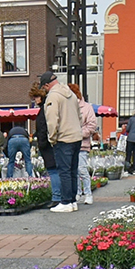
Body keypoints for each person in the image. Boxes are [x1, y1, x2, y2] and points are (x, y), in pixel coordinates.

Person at [40, 70, 82, 211]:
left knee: (63, 171)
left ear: (46, 85)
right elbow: (79, 115)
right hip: (76, 136)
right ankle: (72, 200)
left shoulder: (53, 96)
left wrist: (52, 138)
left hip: (63, 138)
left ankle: (65, 203)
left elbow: (52, 120)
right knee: (72, 171)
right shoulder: (71, 95)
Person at [31, 84, 61, 204]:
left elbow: (43, 128)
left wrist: (41, 143)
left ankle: (56, 197)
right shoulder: (47, 108)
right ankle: (60, 195)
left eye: (36, 97)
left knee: (53, 170)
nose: (35, 100)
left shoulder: (43, 111)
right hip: (52, 144)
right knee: (57, 170)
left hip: (47, 145)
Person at [74, 85, 97, 204]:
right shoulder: (67, 106)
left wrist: (80, 133)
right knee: (74, 170)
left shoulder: (86, 107)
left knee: (82, 169)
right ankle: (78, 193)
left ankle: (88, 193)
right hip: (70, 142)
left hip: (82, 143)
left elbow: (92, 124)